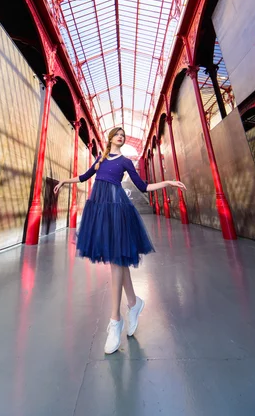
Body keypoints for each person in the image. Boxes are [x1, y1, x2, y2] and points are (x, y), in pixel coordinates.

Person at [54, 127, 186, 354]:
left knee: (116, 260)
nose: (121, 136)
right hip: (100, 210)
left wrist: (167, 183)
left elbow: (143, 186)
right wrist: (65, 181)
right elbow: (84, 177)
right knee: (119, 260)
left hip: (118, 210)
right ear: (110, 137)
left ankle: (115, 320)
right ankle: (134, 303)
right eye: (118, 133)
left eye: (123, 135)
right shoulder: (100, 159)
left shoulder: (125, 162)